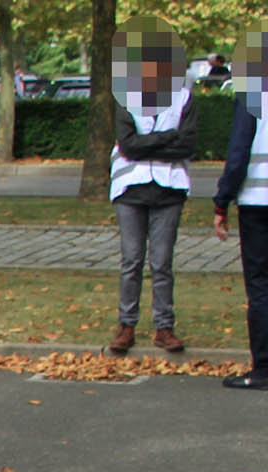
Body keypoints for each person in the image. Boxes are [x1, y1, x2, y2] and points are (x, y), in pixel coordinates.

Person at [108, 27, 197, 355]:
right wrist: (166, 139)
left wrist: (155, 145)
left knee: (162, 262)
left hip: (170, 188)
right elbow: (129, 147)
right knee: (131, 260)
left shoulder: (184, 97)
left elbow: (188, 144)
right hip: (131, 187)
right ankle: (126, 325)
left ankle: (164, 327)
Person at [211, 36, 267, 388]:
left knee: (260, 287)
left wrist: (221, 201)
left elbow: (238, 154)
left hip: (258, 202)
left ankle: (263, 368)